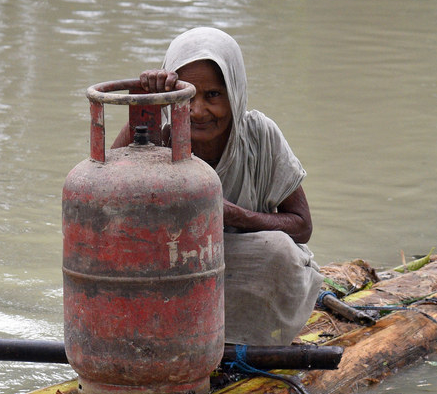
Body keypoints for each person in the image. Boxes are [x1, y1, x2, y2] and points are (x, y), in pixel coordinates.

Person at [114, 27, 325, 345]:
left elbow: (302, 226)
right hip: (173, 269)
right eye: (187, 95)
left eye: (213, 95)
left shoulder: (260, 135)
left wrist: (236, 216)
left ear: (234, 92)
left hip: (242, 273)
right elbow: (107, 190)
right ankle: (172, 337)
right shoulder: (158, 132)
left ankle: (242, 339)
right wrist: (148, 104)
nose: (198, 111)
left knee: (280, 254)